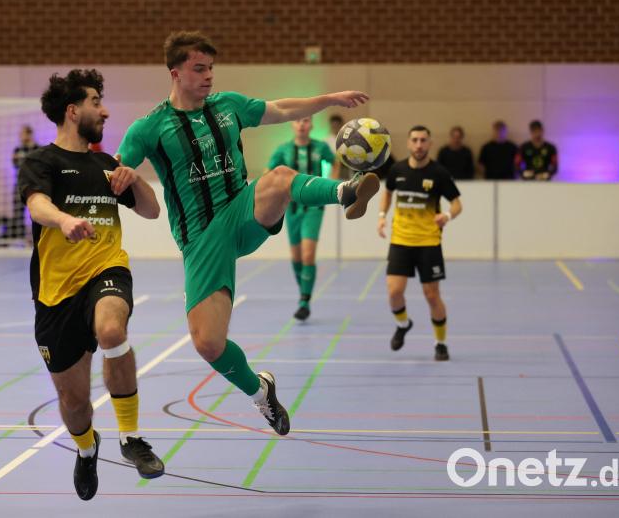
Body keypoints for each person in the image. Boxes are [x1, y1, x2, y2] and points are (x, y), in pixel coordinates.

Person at [116, 31, 379, 436]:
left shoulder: (228, 106)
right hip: (202, 239)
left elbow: (281, 108)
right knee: (208, 343)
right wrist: (113, 177)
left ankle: (345, 191)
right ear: (175, 73)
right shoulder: (148, 128)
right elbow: (116, 168)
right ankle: (261, 394)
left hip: (242, 210)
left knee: (278, 178)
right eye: (199, 69)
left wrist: (328, 99)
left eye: (211, 69)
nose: (208, 77)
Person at [18, 69, 164, 500]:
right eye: (96, 101)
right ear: (72, 110)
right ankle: (86, 449)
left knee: (112, 330)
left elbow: (153, 212)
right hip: (55, 294)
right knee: (75, 403)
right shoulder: (41, 162)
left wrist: (134, 179)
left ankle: (131, 438)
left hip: (106, 270)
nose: (104, 110)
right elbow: (37, 203)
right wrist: (64, 219)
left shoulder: (107, 165)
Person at [377, 126, 462, 361]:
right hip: (401, 241)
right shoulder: (397, 169)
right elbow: (388, 192)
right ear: (408, 143)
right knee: (394, 293)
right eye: (414, 140)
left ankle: (441, 343)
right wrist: (382, 216)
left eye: (423, 140)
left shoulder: (439, 173)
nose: (419, 145)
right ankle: (403, 324)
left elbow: (457, 204)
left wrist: (446, 216)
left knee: (432, 296)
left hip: (428, 242)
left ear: (430, 143)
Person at [266, 116, 337, 320]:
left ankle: (305, 300)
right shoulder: (283, 150)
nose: (302, 124)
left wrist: (329, 185)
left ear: (312, 125)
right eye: (298, 121)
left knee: (307, 255)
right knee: (296, 257)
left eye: (306, 121)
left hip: (313, 207)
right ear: (292, 125)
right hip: (290, 208)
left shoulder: (321, 147)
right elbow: (269, 172)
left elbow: (335, 162)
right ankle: (303, 291)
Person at [10, 124, 40, 238]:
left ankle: (36, 236)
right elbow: (15, 165)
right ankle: (19, 237)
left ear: (29, 134)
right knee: (18, 212)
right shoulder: (18, 149)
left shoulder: (38, 149)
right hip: (19, 185)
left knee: (36, 211)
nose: (20, 136)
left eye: (22, 134)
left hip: (34, 185)